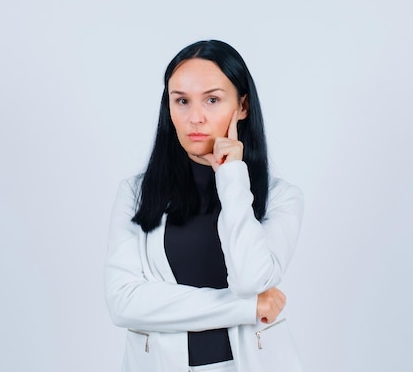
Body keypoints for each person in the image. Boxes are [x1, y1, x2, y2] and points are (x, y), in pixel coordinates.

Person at [105, 40, 304, 372]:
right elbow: (124, 303)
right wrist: (247, 308)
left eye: (212, 100)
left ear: (242, 106)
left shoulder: (282, 197)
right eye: (181, 101)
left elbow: (251, 280)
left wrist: (232, 177)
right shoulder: (136, 194)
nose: (195, 117)